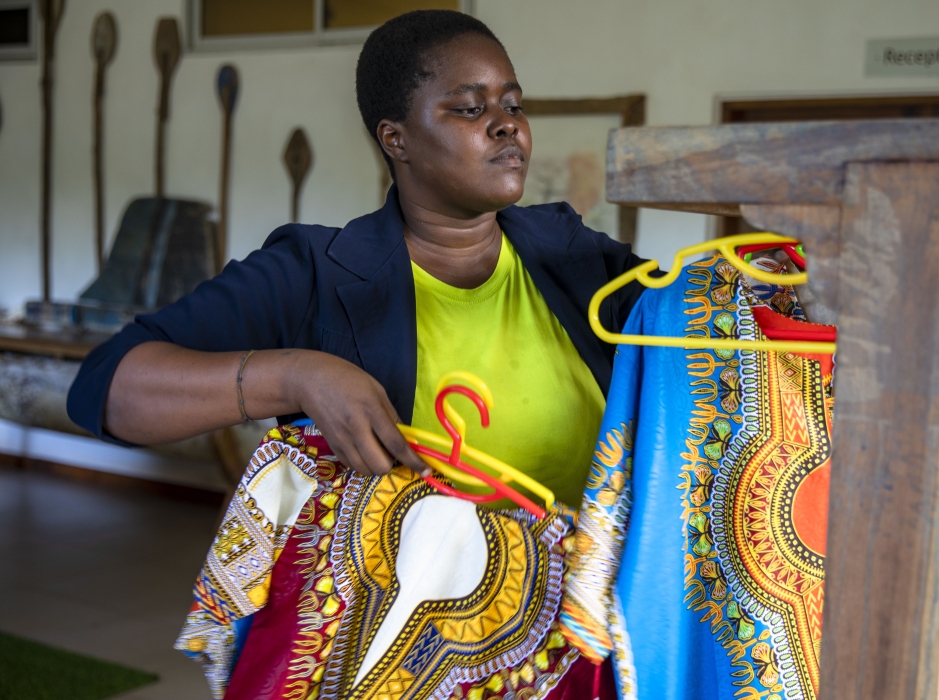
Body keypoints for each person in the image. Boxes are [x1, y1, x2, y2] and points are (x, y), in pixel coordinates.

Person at [67, 10, 645, 512]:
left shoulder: (573, 252)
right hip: (403, 625)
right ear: (396, 140)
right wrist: (296, 376)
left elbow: (704, 321)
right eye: (470, 109)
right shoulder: (314, 272)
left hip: (586, 616)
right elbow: (106, 387)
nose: (507, 124)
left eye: (513, 104)